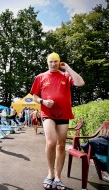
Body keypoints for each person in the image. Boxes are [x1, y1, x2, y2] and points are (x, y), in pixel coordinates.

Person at [30, 52, 85, 190]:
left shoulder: (66, 75)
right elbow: (35, 96)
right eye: (51, 61)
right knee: (51, 142)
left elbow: (80, 83)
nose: (53, 64)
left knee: (61, 145)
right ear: (47, 63)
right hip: (47, 113)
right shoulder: (40, 77)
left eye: (55, 61)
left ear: (59, 62)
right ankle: (50, 173)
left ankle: (58, 177)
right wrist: (43, 101)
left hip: (64, 114)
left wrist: (68, 68)